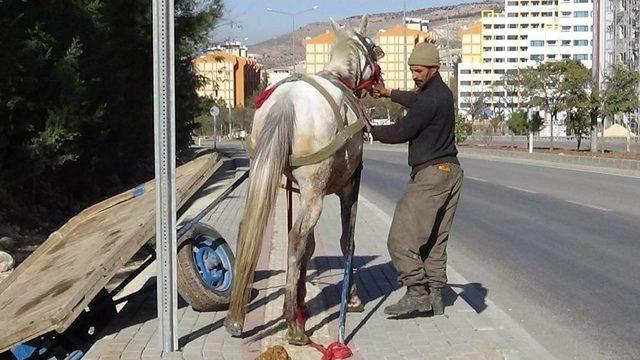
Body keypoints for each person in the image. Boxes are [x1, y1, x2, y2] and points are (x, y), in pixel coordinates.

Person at [369, 42, 464, 317]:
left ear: (434, 69)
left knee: (400, 239)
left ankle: (416, 293)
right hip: (452, 172)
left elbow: (401, 131)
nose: (415, 75)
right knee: (434, 240)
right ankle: (436, 296)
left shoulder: (430, 99)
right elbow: (415, 100)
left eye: (419, 71)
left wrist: (370, 129)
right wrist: (388, 93)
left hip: (431, 176)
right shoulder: (441, 93)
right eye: (412, 70)